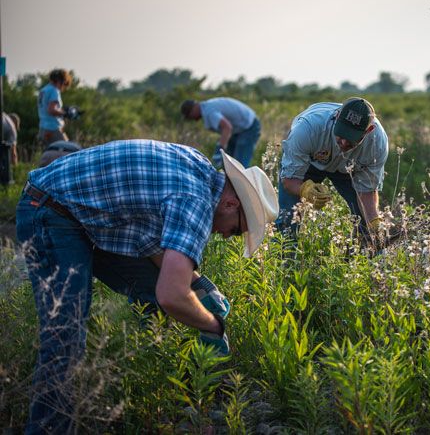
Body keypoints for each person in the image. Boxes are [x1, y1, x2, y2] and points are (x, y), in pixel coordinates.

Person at [16, 140, 278, 434]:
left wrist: (199, 286)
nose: (227, 237)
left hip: (82, 215)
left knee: (160, 294)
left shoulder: (200, 170)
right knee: (65, 337)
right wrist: (213, 326)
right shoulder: (196, 201)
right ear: (232, 204)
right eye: (234, 230)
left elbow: (151, 248)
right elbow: (171, 294)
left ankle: (178, 391)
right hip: (52, 209)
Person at [276, 97, 388, 239]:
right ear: (337, 116)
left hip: (348, 169)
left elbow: (367, 191)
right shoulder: (307, 129)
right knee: (287, 220)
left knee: (365, 223)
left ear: (369, 130)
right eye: (342, 132)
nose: (344, 141)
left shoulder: (377, 143)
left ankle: (364, 257)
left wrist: (374, 221)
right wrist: (305, 190)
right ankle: (284, 260)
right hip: (309, 163)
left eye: (352, 136)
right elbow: (289, 180)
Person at [180, 97, 261, 168]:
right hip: (239, 129)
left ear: (192, 111)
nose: (190, 118)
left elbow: (227, 127)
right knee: (229, 164)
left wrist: (219, 149)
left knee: (240, 166)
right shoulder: (206, 108)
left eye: (188, 115)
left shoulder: (209, 112)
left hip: (249, 127)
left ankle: (246, 185)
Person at [37, 69, 76, 145]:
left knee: (50, 153)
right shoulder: (54, 90)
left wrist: (61, 110)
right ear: (60, 81)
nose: (63, 87)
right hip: (52, 128)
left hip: (42, 128)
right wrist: (65, 113)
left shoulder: (43, 90)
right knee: (67, 150)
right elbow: (51, 110)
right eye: (64, 83)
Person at [1, 112, 20, 185]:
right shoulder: (12, 127)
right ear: (15, 123)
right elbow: (13, 153)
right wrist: (16, 172)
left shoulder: (4, 116)